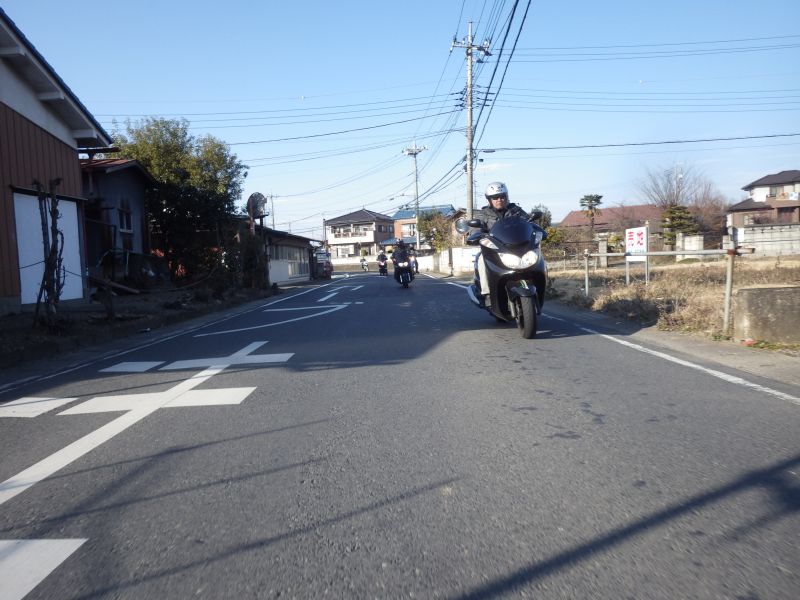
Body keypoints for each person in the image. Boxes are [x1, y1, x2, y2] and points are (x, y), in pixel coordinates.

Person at [472, 181, 546, 304]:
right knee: (481, 259)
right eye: (495, 197)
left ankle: (541, 286)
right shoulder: (483, 214)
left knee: (537, 255)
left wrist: (539, 231)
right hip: (494, 249)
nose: (499, 200)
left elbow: (529, 222)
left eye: (502, 196)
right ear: (489, 200)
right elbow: (475, 230)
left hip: (517, 247)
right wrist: (476, 235)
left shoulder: (516, 210)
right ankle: (487, 294)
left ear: (506, 196)